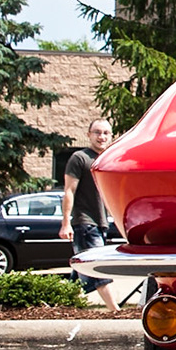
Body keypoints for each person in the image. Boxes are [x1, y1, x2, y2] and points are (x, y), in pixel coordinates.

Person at [59, 117, 118, 311]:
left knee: (80, 271)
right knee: (97, 266)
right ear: (88, 135)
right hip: (85, 223)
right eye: (97, 132)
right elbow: (69, 191)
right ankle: (115, 311)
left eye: (106, 133)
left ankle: (63, 306)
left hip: (101, 223)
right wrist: (66, 222)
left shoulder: (105, 160)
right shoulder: (80, 158)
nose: (102, 137)